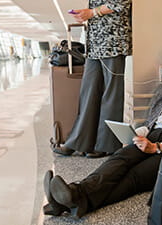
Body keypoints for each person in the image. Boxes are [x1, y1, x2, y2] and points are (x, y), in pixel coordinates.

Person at [43, 43, 162, 218]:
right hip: (151, 136)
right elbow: (151, 121)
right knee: (119, 159)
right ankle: (72, 196)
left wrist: (156, 148)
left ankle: (68, 200)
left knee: (134, 177)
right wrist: (140, 133)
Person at [53, 0, 132, 158]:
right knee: (88, 93)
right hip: (95, 44)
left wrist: (92, 12)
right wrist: (86, 14)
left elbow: (121, 3)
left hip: (113, 42)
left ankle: (106, 145)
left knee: (111, 96)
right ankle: (79, 142)